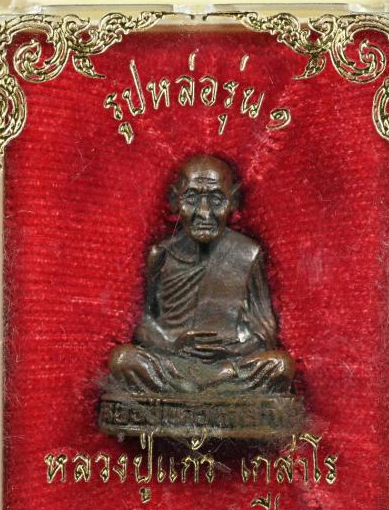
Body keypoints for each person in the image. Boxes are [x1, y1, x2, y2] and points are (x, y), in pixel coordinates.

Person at [107, 155, 294, 395]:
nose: (204, 213)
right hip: (175, 363)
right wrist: (173, 344)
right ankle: (205, 391)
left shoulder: (248, 254)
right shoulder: (161, 255)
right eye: (192, 198)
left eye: (216, 199)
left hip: (227, 365)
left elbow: (264, 331)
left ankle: (196, 390)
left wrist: (231, 350)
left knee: (281, 365)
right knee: (122, 359)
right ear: (174, 200)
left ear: (233, 201)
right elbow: (146, 324)